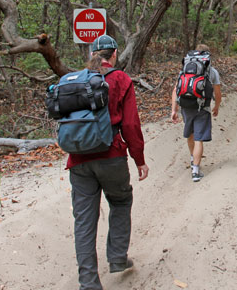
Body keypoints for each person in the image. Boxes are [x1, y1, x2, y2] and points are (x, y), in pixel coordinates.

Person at [66, 35, 149, 290]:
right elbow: (130, 124)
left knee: (84, 220)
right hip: (111, 155)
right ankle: (117, 259)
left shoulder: (77, 79)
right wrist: (139, 159)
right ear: (113, 55)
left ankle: (89, 282)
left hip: (78, 159)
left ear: (92, 54)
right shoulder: (120, 79)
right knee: (121, 201)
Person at [170, 44, 222, 182]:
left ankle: (193, 158)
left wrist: (173, 109)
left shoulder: (185, 69)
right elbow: (217, 92)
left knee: (191, 134)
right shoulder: (212, 72)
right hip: (202, 107)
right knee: (199, 138)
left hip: (186, 107)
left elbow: (176, 90)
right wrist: (216, 105)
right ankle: (196, 170)